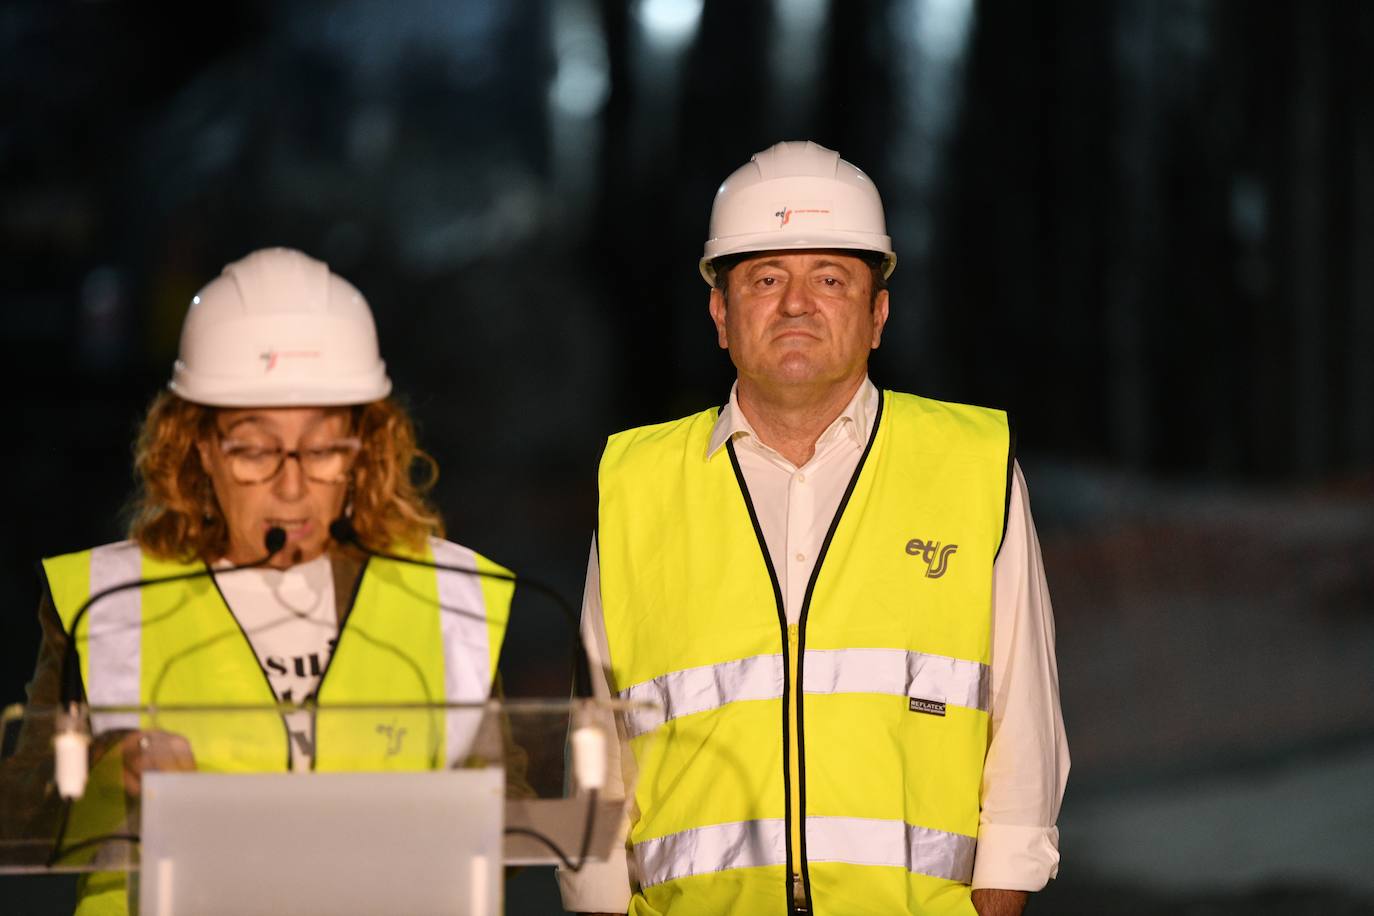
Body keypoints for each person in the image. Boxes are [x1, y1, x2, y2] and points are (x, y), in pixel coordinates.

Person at [559, 142, 1069, 916]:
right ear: (720, 313)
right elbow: (591, 751)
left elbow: (1025, 729)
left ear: (878, 313)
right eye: (766, 279)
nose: (796, 304)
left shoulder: (972, 469)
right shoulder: (635, 485)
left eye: (830, 278)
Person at [2, 247, 516, 915]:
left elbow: (518, 830)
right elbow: (20, 820)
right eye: (254, 448)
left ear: (366, 448)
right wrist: (100, 759)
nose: (293, 485)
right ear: (199, 447)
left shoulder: (451, 596)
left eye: (325, 446)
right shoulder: (107, 601)